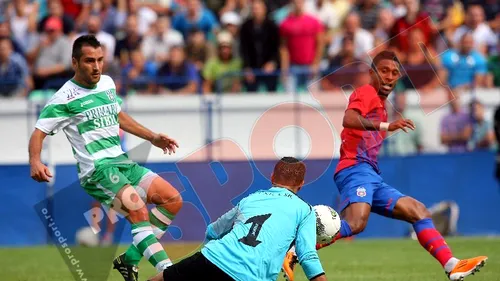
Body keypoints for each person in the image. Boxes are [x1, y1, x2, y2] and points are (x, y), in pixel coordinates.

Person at [282, 50, 488, 281]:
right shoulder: (367, 92)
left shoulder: (380, 102)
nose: (390, 77)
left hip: (370, 173)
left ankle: (452, 265)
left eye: (394, 73)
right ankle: (294, 251)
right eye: (384, 71)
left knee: (418, 211)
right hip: (355, 168)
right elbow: (348, 119)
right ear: (372, 73)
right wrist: (385, 126)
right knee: (356, 223)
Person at [28, 35, 183, 281]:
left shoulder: (107, 83)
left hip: (121, 161)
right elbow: (39, 132)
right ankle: (168, 272)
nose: (97, 66)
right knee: (138, 211)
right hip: (97, 169)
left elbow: (119, 116)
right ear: (75, 63)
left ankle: (129, 260)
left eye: (100, 60)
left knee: (172, 200)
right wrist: (35, 161)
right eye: (90, 61)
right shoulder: (64, 97)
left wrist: (152, 137)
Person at [147, 157, 327, 281]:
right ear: (301, 184)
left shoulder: (250, 199)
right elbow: (308, 256)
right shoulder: (305, 210)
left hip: (213, 258)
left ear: (272, 177)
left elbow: (212, 231)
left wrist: (210, 259)